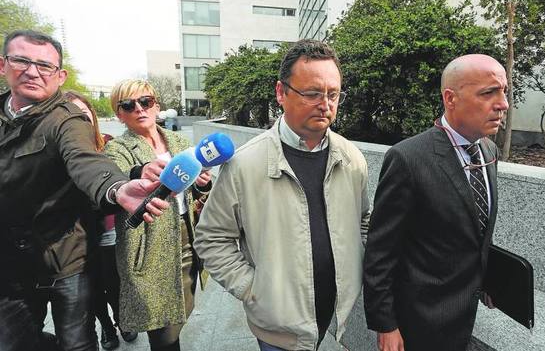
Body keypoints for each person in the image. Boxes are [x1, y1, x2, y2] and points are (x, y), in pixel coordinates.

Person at [194, 39, 371, 351]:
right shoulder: (244, 164)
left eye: (333, 94)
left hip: (332, 312)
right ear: (281, 92)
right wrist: (253, 288)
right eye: (313, 93)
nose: (325, 104)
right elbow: (211, 239)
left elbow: (364, 222)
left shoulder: (352, 158)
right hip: (276, 327)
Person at [0, 29, 169, 351]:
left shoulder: (67, 119)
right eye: (21, 60)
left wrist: (117, 188)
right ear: (3, 65)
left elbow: (86, 161)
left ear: (60, 75)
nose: (33, 71)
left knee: (77, 343)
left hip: (66, 261)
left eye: (44, 65)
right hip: (9, 267)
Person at [363, 54, 509, 351]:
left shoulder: (489, 151)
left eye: (504, 91)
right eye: (488, 92)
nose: (503, 103)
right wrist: (386, 325)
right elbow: (381, 251)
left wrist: (489, 281)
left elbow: (473, 231)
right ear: (450, 98)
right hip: (419, 322)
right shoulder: (408, 159)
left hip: (466, 317)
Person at [104, 79, 212, 351]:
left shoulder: (178, 140)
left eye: (146, 102)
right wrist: (140, 171)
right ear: (119, 114)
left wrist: (202, 184)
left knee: (180, 312)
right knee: (164, 333)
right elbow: (119, 181)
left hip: (187, 240)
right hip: (148, 248)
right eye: (128, 105)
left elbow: (195, 195)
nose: (139, 108)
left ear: (156, 105)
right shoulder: (117, 148)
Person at [63, 91, 138, 350]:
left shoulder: (108, 145)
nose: (78, 122)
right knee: (92, 290)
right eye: (70, 115)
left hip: (111, 232)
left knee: (114, 283)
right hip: (78, 239)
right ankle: (106, 326)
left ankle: (122, 320)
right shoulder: (59, 154)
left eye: (83, 115)